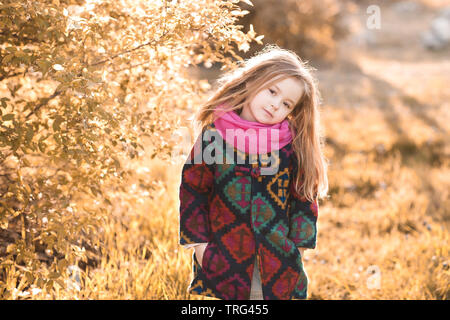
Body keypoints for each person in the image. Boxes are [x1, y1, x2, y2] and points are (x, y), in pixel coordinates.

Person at [178, 44, 329, 300]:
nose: (274, 105)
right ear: (252, 81)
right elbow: (193, 191)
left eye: (286, 104)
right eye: (272, 91)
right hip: (222, 263)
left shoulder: (290, 146)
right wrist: (201, 248)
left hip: (277, 266)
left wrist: (296, 250)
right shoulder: (214, 136)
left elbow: (303, 197)